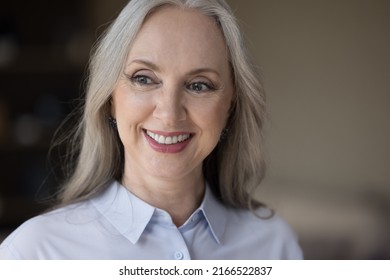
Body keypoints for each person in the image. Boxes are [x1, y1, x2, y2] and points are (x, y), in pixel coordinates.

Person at [0, 0, 302, 259]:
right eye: (144, 78)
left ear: (231, 107)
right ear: (110, 100)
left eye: (199, 85)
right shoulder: (34, 254)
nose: (169, 114)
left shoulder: (275, 245)